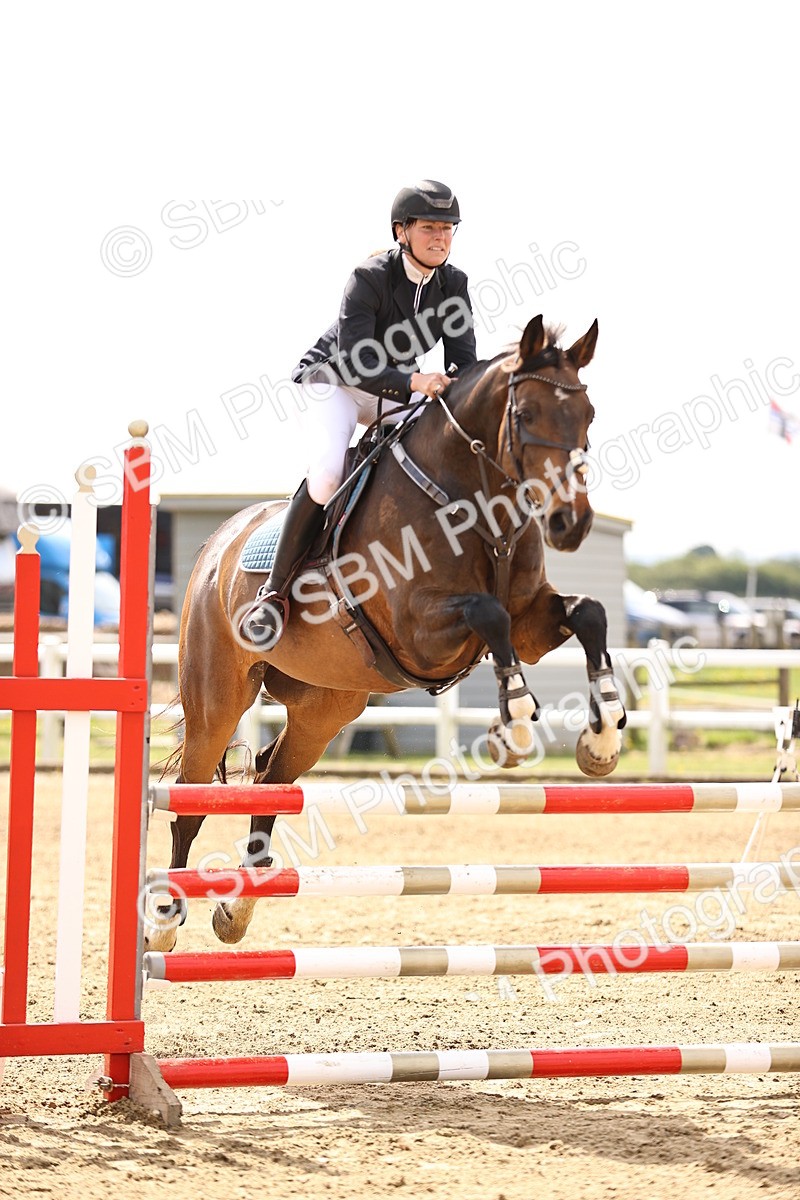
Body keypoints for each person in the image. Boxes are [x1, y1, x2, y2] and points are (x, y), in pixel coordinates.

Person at [240, 179, 478, 648]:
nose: (440, 238)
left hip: (394, 389)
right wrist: (416, 381)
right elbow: (356, 361)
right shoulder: (368, 277)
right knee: (329, 475)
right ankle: (273, 594)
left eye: (448, 228)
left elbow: (463, 362)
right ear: (401, 231)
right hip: (335, 382)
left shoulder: (454, 285)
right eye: (429, 227)